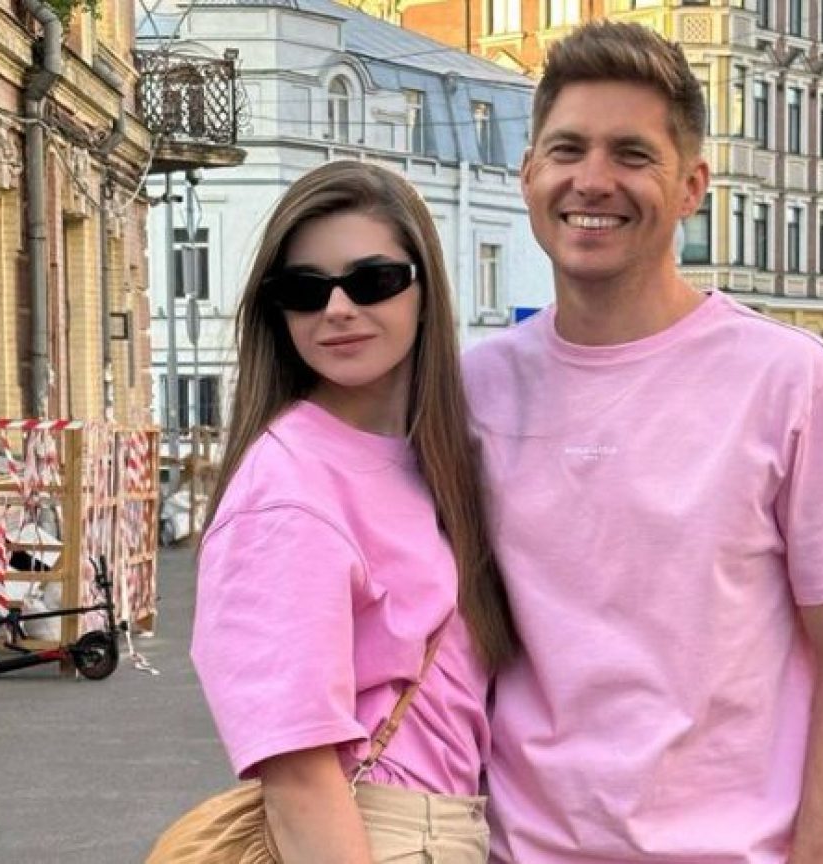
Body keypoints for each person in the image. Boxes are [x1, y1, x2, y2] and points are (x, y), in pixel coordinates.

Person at [462, 21, 823, 864]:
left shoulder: (796, 386)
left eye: (632, 155)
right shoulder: (472, 390)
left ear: (691, 187)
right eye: (567, 149)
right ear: (528, 173)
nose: (592, 180)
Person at [191, 161, 517, 863]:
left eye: (373, 281)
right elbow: (299, 780)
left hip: (453, 829)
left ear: (425, 292)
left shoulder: (435, 461)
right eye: (305, 290)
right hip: (377, 836)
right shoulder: (286, 488)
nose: (337, 308)